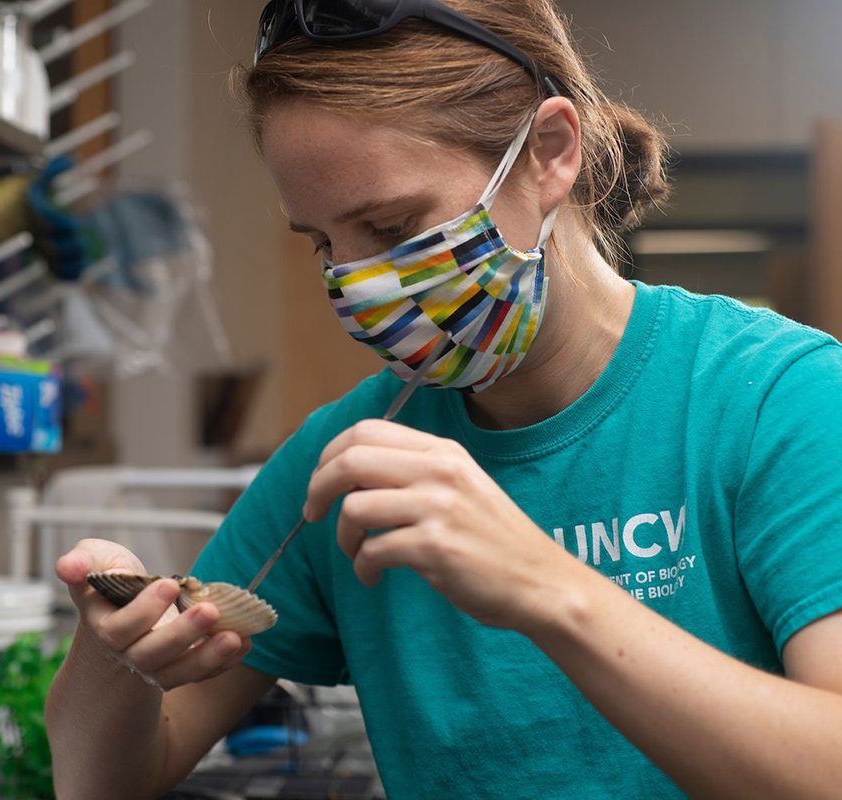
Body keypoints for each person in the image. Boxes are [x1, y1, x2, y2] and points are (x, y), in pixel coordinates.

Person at [44, 1, 842, 797]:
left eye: (391, 228)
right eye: (323, 243)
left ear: (549, 153)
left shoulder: (779, 399)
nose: (355, 284)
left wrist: (546, 588)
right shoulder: (346, 464)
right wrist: (114, 652)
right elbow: (106, 782)